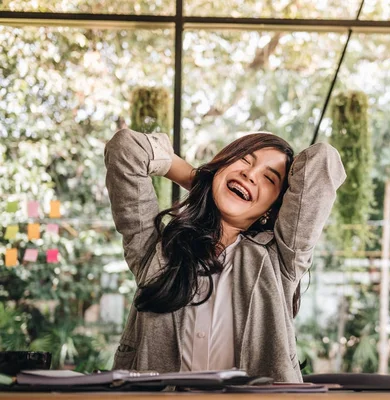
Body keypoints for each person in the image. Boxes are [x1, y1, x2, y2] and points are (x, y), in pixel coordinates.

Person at [104, 128, 346, 382]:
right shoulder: (156, 250)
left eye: (269, 178)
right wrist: (204, 180)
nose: (250, 175)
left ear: (272, 209)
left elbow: (323, 161)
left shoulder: (281, 258)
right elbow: (126, 149)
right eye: (244, 160)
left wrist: (213, 182)